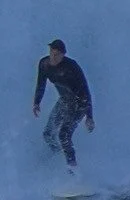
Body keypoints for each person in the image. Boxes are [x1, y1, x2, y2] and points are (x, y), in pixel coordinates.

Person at [32, 39, 95, 168]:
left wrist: (89, 117)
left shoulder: (71, 67)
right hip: (64, 101)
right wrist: (36, 102)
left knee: (63, 135)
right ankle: (59, 157)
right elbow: (41, 84)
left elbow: (85, 91)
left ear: (63, 55)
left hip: (79, 104)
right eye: (52, 53)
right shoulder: (44, 64)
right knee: (48, 134)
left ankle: (73, 170)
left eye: (57, 55)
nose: (53, 57)